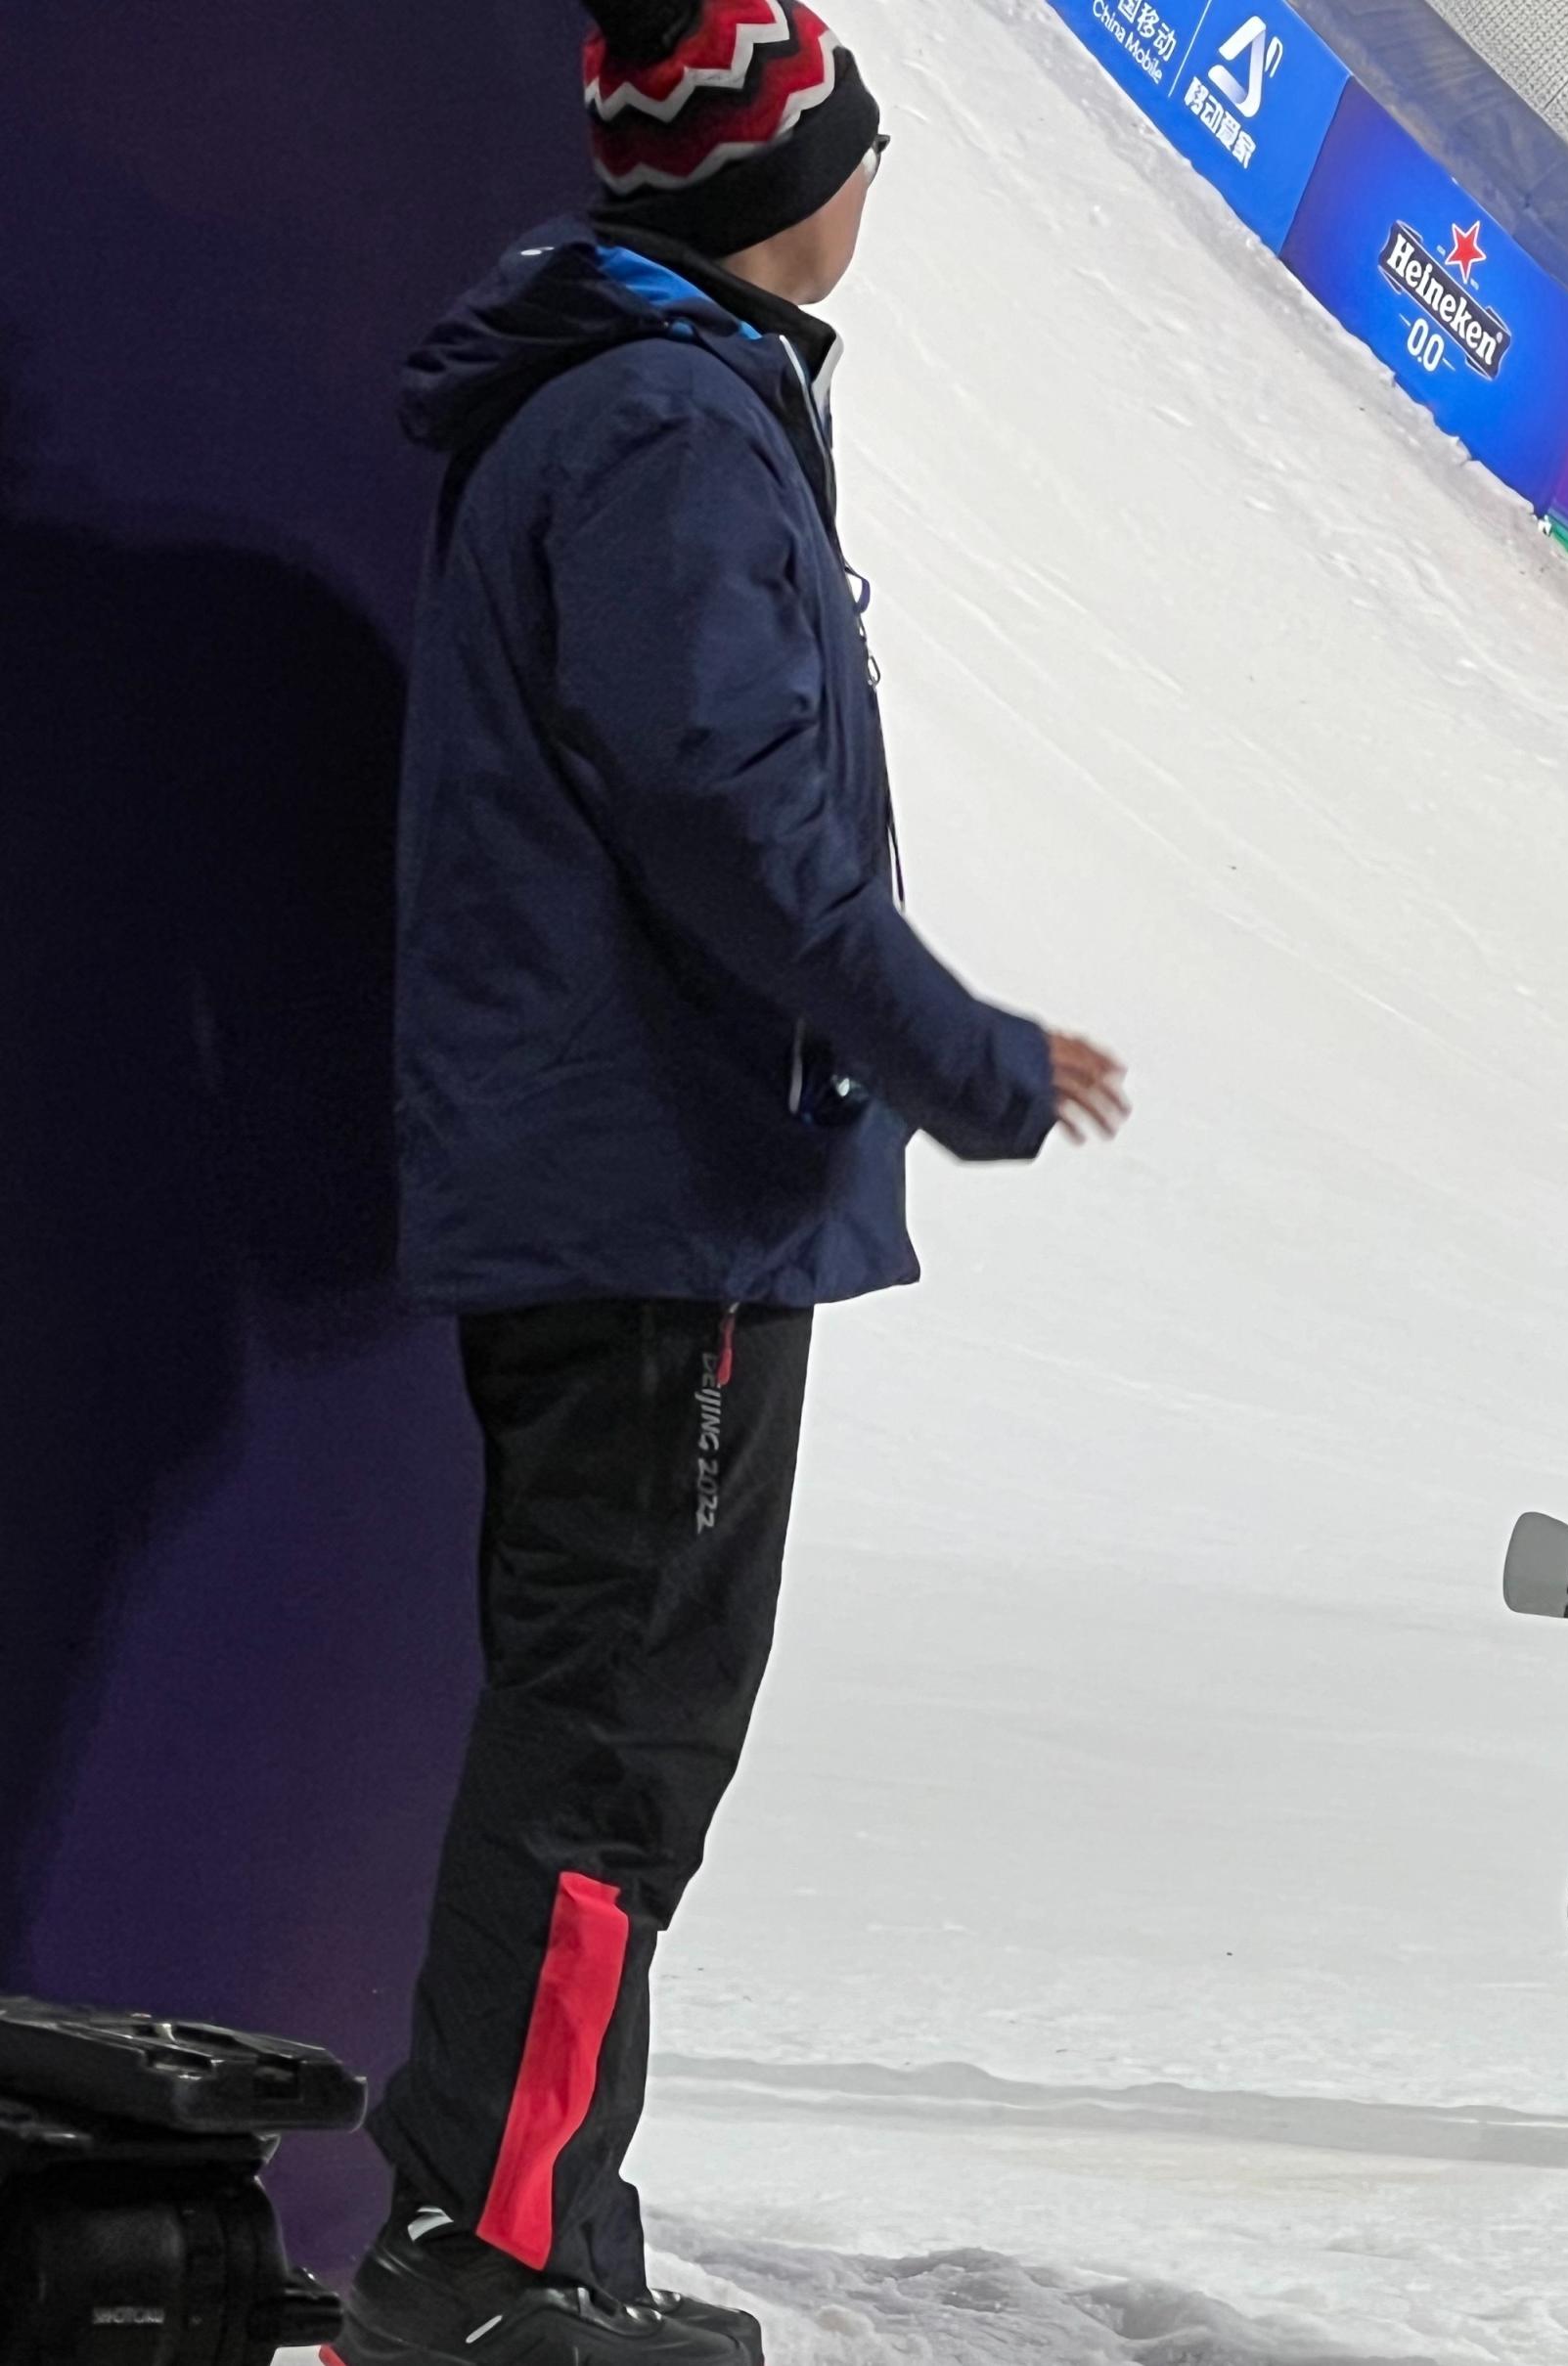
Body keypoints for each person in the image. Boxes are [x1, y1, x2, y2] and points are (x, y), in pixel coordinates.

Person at [341, 3, 1130, 2358]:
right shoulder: (672, 421)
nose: (874, 181)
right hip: (654, 1194)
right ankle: (481, 2259)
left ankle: (534, 2232)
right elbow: (727, 819)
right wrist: (962, 1059)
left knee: (614, 1732)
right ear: (783, 176)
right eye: (859, 145)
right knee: (612, 1742)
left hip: (631, 1182)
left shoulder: (647, 391)